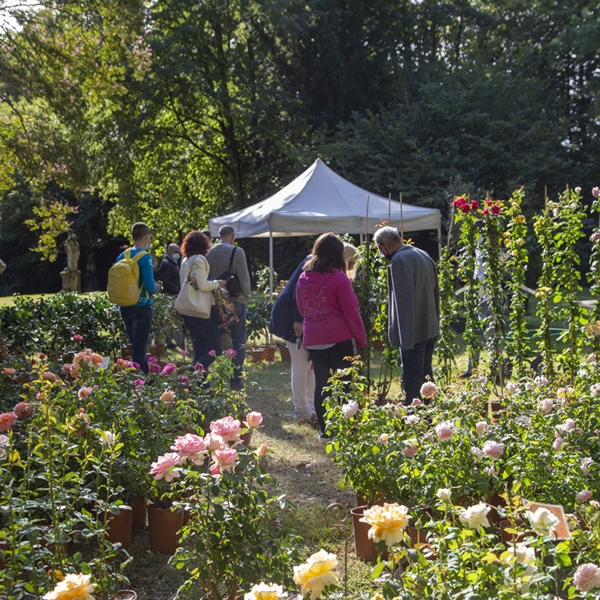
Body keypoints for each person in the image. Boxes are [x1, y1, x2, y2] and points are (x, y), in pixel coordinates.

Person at [296, 233, 367, 438]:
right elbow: (351, 312)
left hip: (314, 337)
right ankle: (349, 429)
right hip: (338, 337)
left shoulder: (303, 277)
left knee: (322, 384)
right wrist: (361, 339)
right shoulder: (339, 278)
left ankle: (326, 432)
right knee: (346, 385)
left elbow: (302, 309)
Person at [373, 226, 439, 405]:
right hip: (429, 325)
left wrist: (406, 340)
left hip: (413, 331)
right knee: (426, 376)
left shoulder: (399, 260)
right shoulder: (423, 254)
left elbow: (404, 302)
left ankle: (415, 418)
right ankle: (431, 415)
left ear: (382, 246)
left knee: (412, 379)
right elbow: (435, 293)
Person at [270, 255, 316, 423]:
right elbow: (300, 290)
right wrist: (299, 319)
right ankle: (302, 409)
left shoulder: (317, 261)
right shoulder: (314, 263)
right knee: (301, 364)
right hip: (291, 317)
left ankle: (310, 406)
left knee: (310, 365)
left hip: (299, 316)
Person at [206, 225, 251, 389]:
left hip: (215, 301)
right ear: (232, 236)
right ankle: (235, 379)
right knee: (238, 341)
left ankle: (214, 376)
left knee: (214, 342)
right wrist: (246, 296)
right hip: (235, 299)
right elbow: (244, 278)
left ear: (219, 236)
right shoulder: (237, 252)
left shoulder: (209, 252)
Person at [177, 231, 226, 369]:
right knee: (215, 349)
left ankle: (198, 387)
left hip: (188, 311)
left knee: (200, 349)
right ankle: (194, 372)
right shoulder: (199, 260)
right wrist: (218, 283)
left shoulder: (185, 260)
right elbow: (202, 285)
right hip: (201, 311)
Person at [116, 222, 160, 374]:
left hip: (125, 305)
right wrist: (157, 288)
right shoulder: (145, 257)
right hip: (142, 306)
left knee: (135, 345)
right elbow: (149, 284)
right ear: (146, 236)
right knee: (140, 348)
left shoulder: (122, 256)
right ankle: (140, 381)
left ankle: (140, 378)